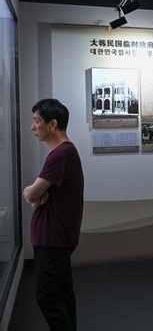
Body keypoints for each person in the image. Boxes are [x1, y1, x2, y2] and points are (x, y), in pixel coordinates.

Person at [22, 98, 84, 331]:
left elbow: (31, 194)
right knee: (62, 292)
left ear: (52, 124)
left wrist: (29, 192)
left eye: (36, 121)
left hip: (52, 238)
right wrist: (38, 197)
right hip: (58, 236)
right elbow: (40, 196)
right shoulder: (66, 152)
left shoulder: (60, 155)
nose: (33, 127)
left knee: (46, 296)